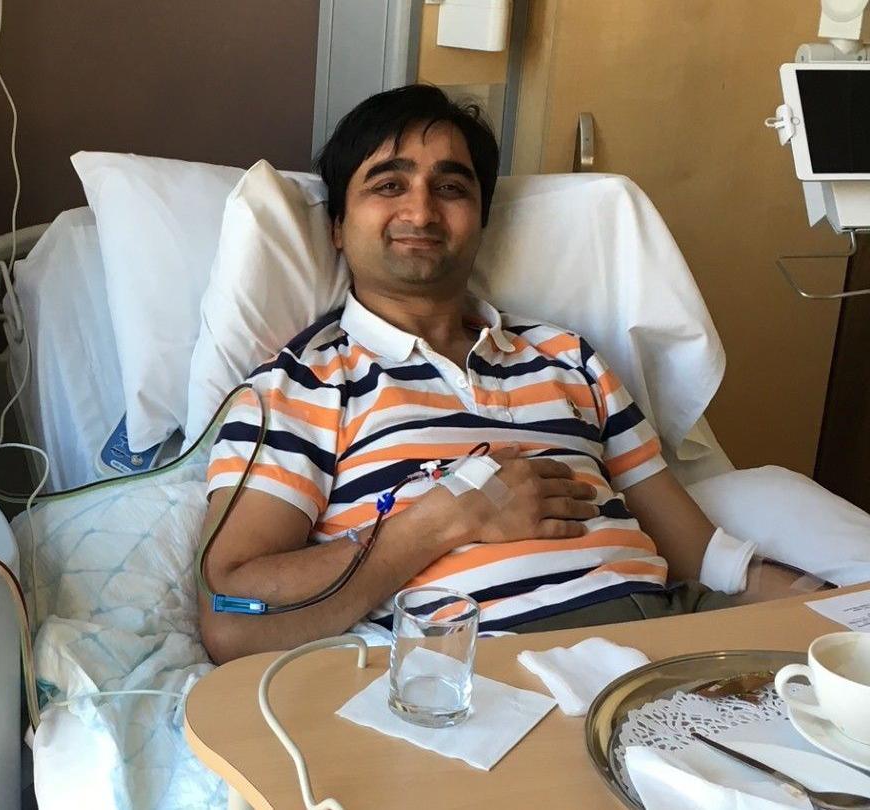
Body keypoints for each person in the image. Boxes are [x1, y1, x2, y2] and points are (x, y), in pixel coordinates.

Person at [198, 84, 805, 664]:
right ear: (337, 225)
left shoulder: (571, 358)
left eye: (451, 188)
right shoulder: (297, 389)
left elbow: (696, 552)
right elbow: (233, 616)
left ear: (481, 220)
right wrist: (448, 517)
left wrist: (822, 604)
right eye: (388, 184)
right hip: (486, 674)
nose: (422, 209)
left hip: (670, 635)